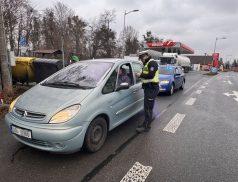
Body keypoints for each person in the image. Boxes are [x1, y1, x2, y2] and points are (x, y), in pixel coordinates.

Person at [135, 52, 159, 132]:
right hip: (148, 88)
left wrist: (140, 75)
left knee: (148, 108)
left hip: (152, 88)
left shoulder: (152, 63)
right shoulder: (147, 64)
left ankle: (146, 126)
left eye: (142, 59)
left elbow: (151, 75)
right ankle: (145, 123)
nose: (141, 61)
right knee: (146, 107)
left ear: (146, 56)